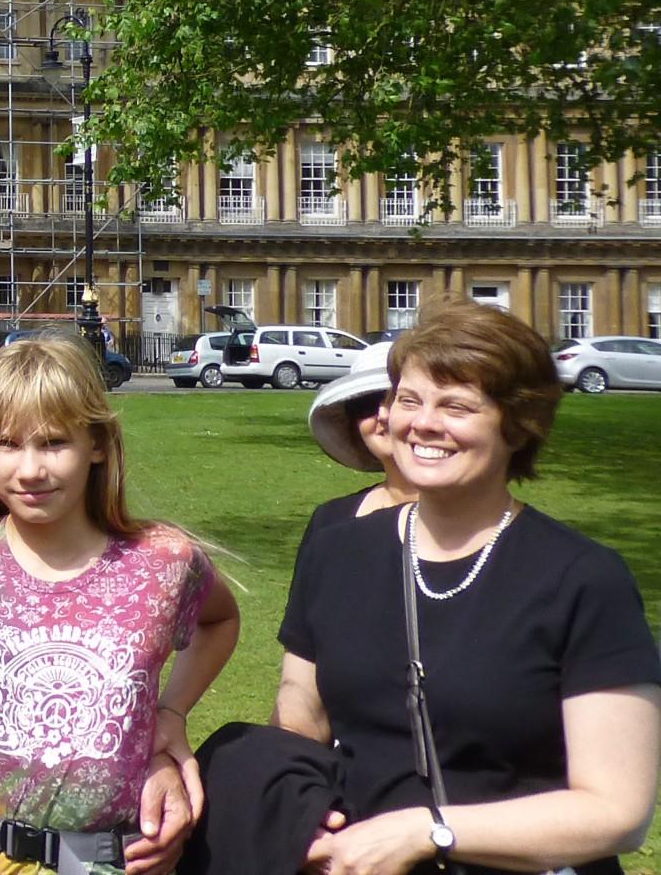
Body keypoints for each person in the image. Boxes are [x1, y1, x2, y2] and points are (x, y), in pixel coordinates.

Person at [275, 297, 660, 875]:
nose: (423, 423)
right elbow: (301, 704)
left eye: (456, 405)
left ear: (517, 424)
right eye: (408, 399)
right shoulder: (337, 551)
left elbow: (616, 811)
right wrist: (303, 807)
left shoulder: (582, 579)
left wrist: (429, 832)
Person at [0, 336, 239, 875]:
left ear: (97, 442)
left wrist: (171, 712)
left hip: (119, 861)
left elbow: (220, 618)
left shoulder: (164, 562)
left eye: (54, 443)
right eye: (8, 442)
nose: (30, 470)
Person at [299, 340, 417, 548]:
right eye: (366, 405)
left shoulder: (478, 523)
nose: (383, 415)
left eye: (402, 400)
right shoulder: (329, 522)